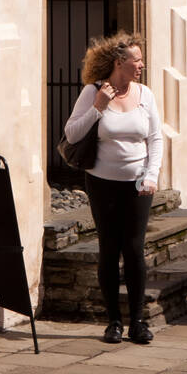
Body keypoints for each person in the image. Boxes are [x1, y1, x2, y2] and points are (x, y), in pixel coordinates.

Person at [64, 32, 163, 345]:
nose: (141, 65)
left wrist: (152, 174)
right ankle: (113, 322)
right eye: (137, 60)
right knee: (109, 248)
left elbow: (156, 138)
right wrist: (98, 106)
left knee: (134, 250)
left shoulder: (145, 94)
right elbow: (71, 132)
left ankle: (137, 321)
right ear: (120, 63)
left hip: (137, 185)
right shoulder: (93, 92)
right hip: (102, 183)